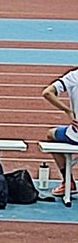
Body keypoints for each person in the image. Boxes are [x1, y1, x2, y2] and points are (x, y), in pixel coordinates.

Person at [42, 68, 78, 197]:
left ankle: (68, 182)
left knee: (51, 134)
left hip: (76, 135)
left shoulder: (74, 76)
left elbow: (47, 93)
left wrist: (68, 111)